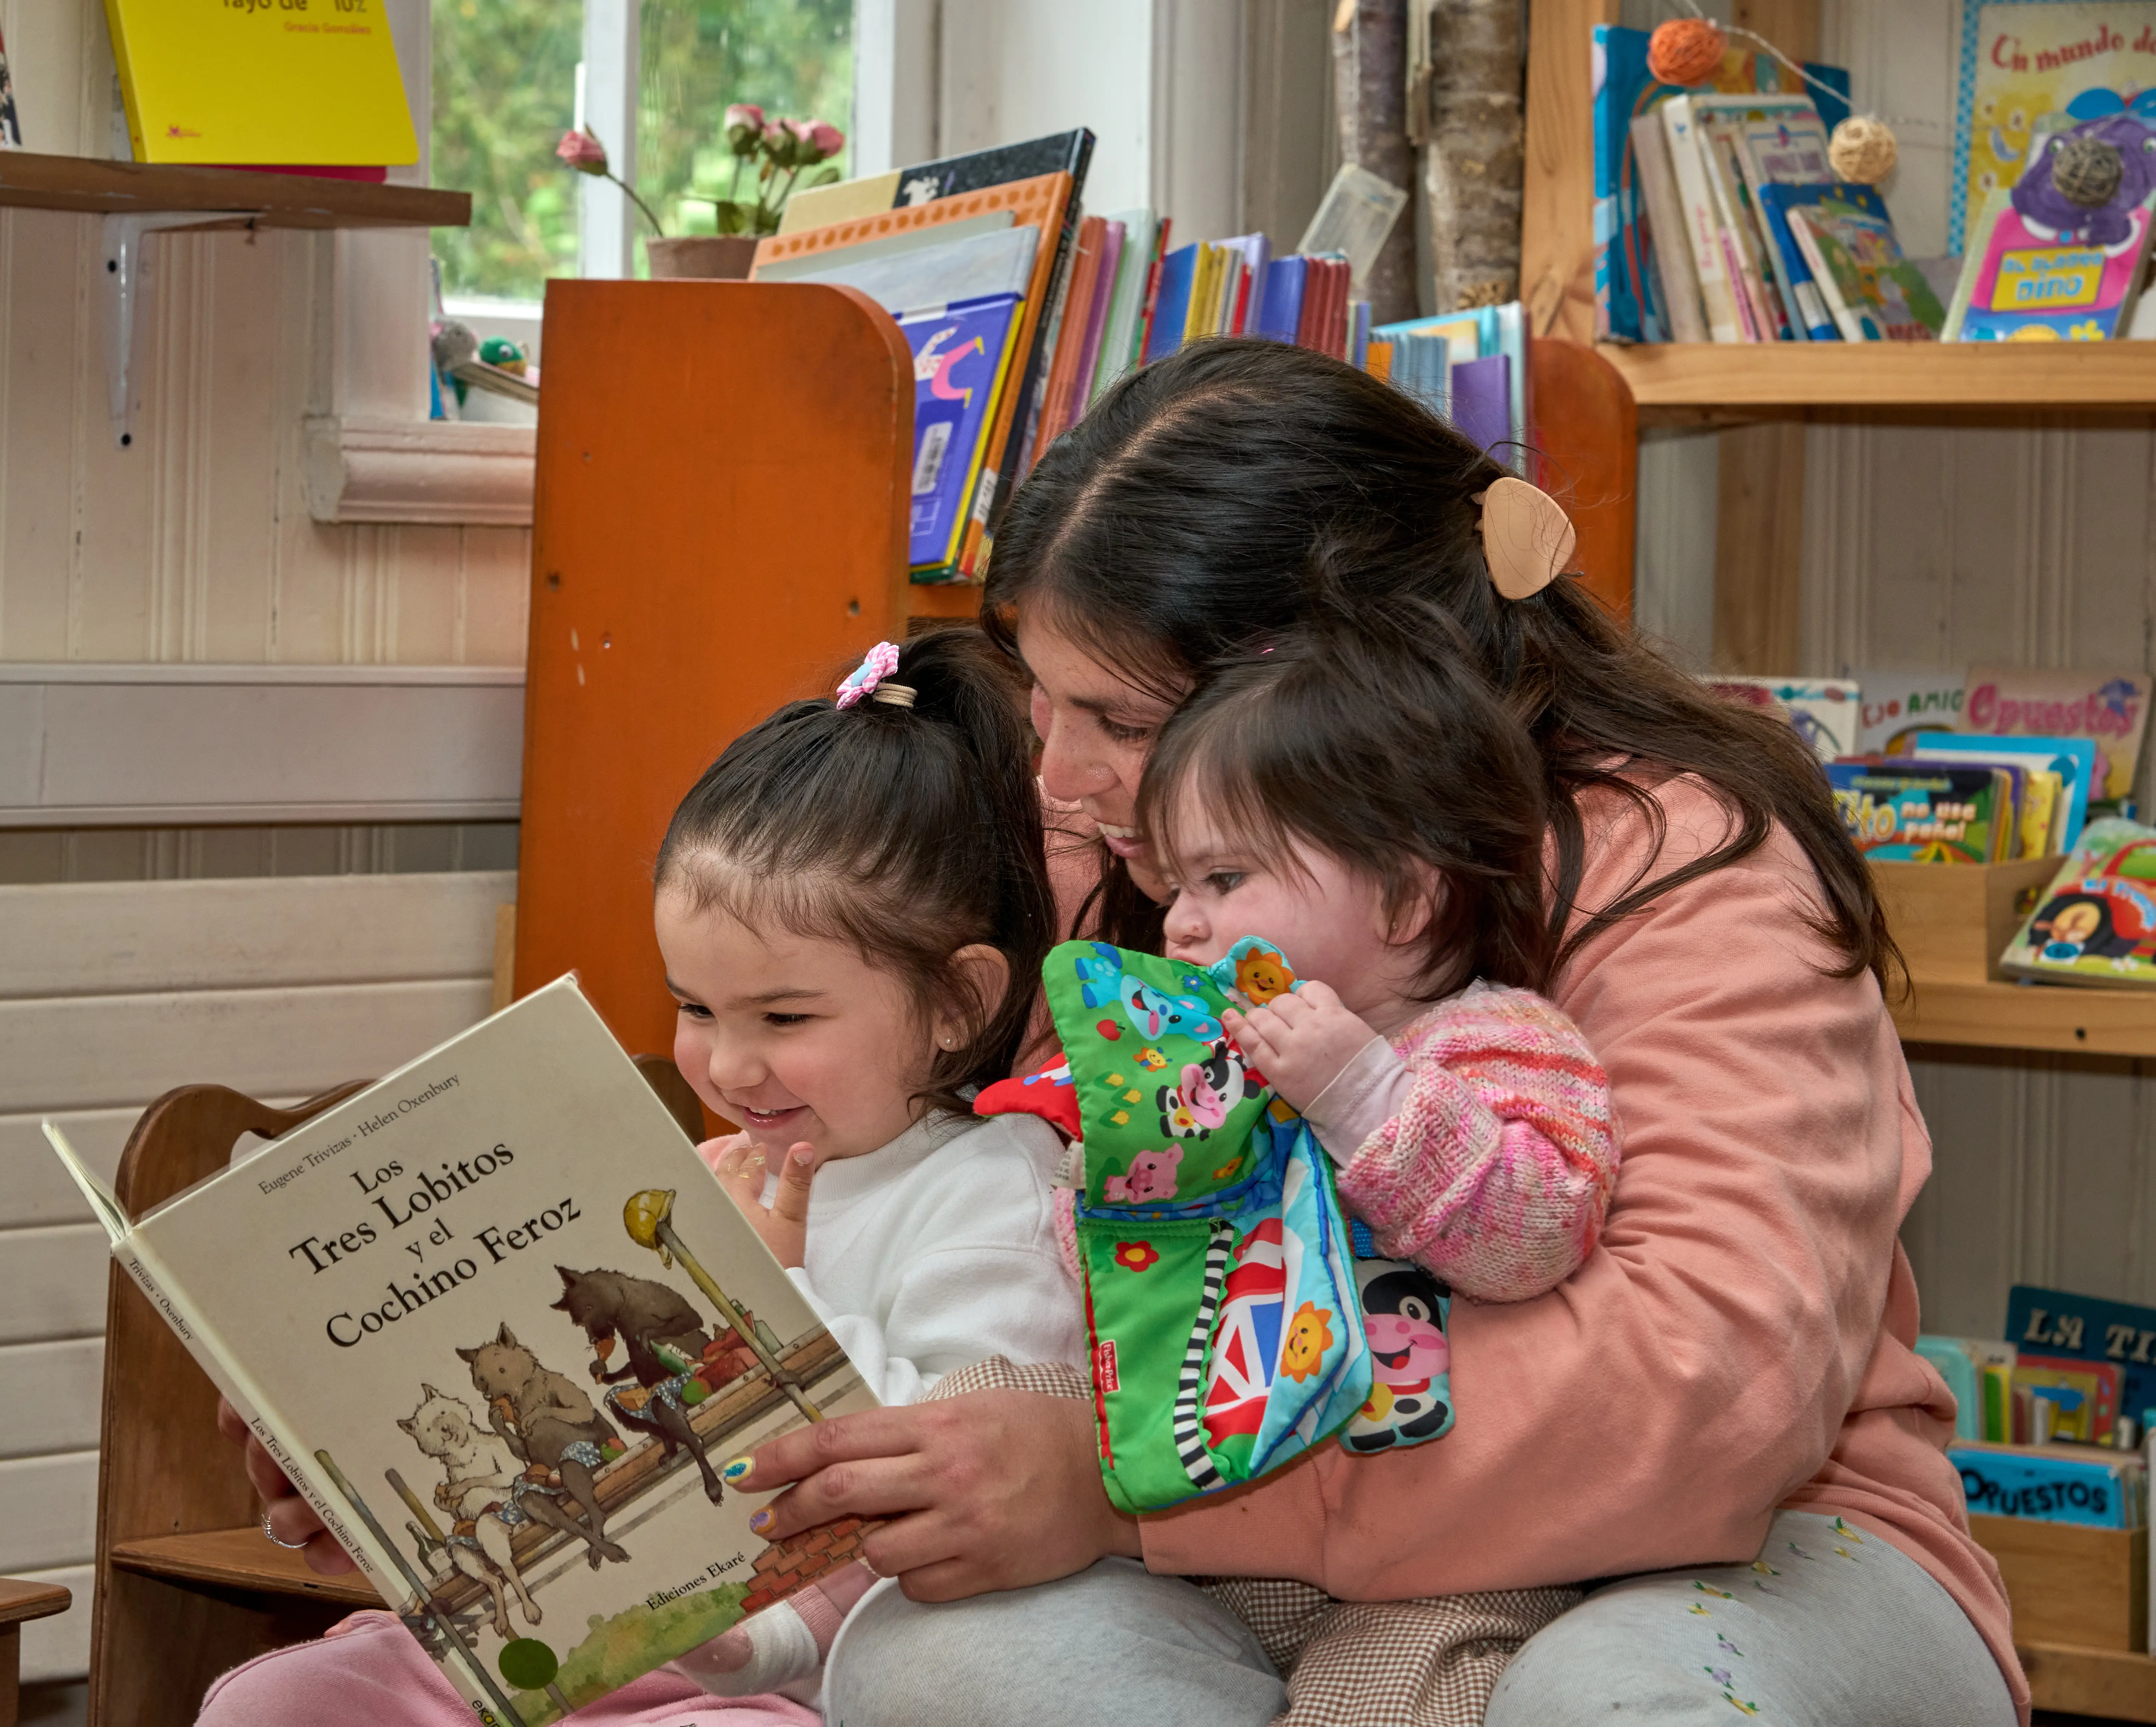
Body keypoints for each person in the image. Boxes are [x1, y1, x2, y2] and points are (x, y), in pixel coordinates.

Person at [709, 338, 2024, 1727]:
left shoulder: (1683, 866)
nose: (1059, 774)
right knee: (941, 1661)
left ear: (1332, 701)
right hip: (1251, 1556)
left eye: (1117, 719)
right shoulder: (1118, 855)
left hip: (1745, 1544)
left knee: (1612, 1700)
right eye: (1041, 701)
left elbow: (1705, 1391)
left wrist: (1131, 1474)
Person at [198, 629, 1100, 1727]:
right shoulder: (715, 1169)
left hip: (817, 1670)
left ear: (958, 1001)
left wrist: (768, 1295)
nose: (728, 1065)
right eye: (695, 1007)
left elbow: (959, 1495)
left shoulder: (996, 1190)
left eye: (784, 1017)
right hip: (620, 1616)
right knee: (286, 1698)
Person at [1137, 618, 1619, 1310]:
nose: (1176, 922)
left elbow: (1538, 1241)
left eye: (1224, 878)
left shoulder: (1504, 1039)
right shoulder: (1217, 1057)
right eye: (1172, 889)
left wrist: (1360, 1096)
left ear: (1404, 901)